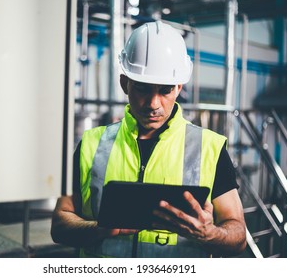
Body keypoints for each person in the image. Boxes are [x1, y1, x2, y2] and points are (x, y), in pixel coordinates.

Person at [51, 21, 246, 258]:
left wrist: (209, 233)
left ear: (178, 87)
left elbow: (239, 236)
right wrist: (100, 229)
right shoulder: (91, 144)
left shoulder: (210, 148)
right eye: (143, 89)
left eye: (164, 90)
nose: (153, 104)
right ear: (126, 84)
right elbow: (60, 225)